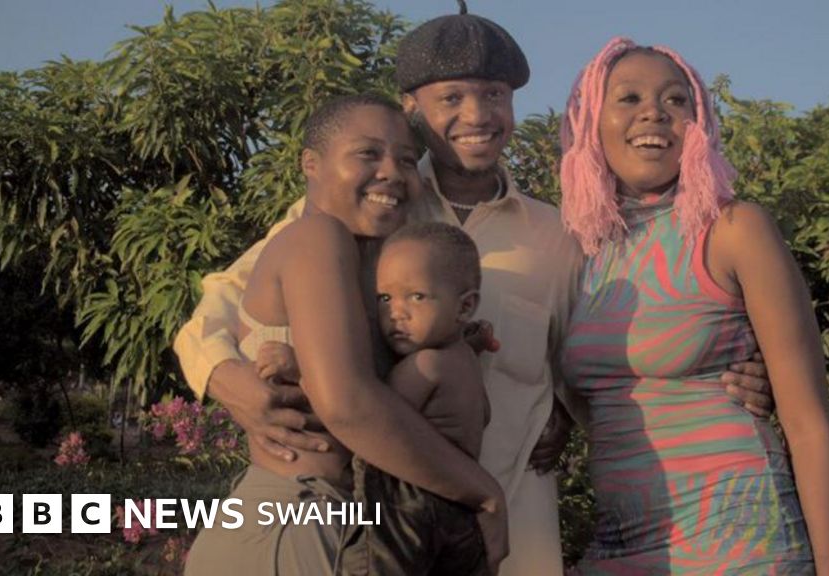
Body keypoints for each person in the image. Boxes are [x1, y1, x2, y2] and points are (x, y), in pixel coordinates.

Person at [174, 4, 777, 574]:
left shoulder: (560, 235)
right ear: (412, 108)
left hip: (517, 525)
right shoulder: (374, 207)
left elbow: (613, 350)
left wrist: (739, 373)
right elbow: (222, 304)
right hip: (386, 527)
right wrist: (224, 377)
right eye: (452, 97)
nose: (478, 114)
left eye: (494, 95)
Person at [183, 94, 509, 576]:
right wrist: (483, 493)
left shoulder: (373, 263)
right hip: (296, 519)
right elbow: (348, 405)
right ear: (310, 164)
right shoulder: (317, 238)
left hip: (332, 521)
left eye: (406, 160)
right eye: (368, 153)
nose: (391, 172)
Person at [559, 37, 829, 574]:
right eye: (628, 98)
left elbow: (809, 423)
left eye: (676, 99)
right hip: (620, 543)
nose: (654, 112)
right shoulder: (581, 249)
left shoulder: (734, 229)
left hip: (741, 547)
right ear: (589, 120)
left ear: (699, 124)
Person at [340, 221, 492, 575]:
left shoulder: (425, 366)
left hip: (405, 505)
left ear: (465, 307)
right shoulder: (468, 362)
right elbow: (482, 416)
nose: (397, 312)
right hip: (461, 513)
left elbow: (365, 415)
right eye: (385, 298)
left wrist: (298, 369)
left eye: (417, 296)